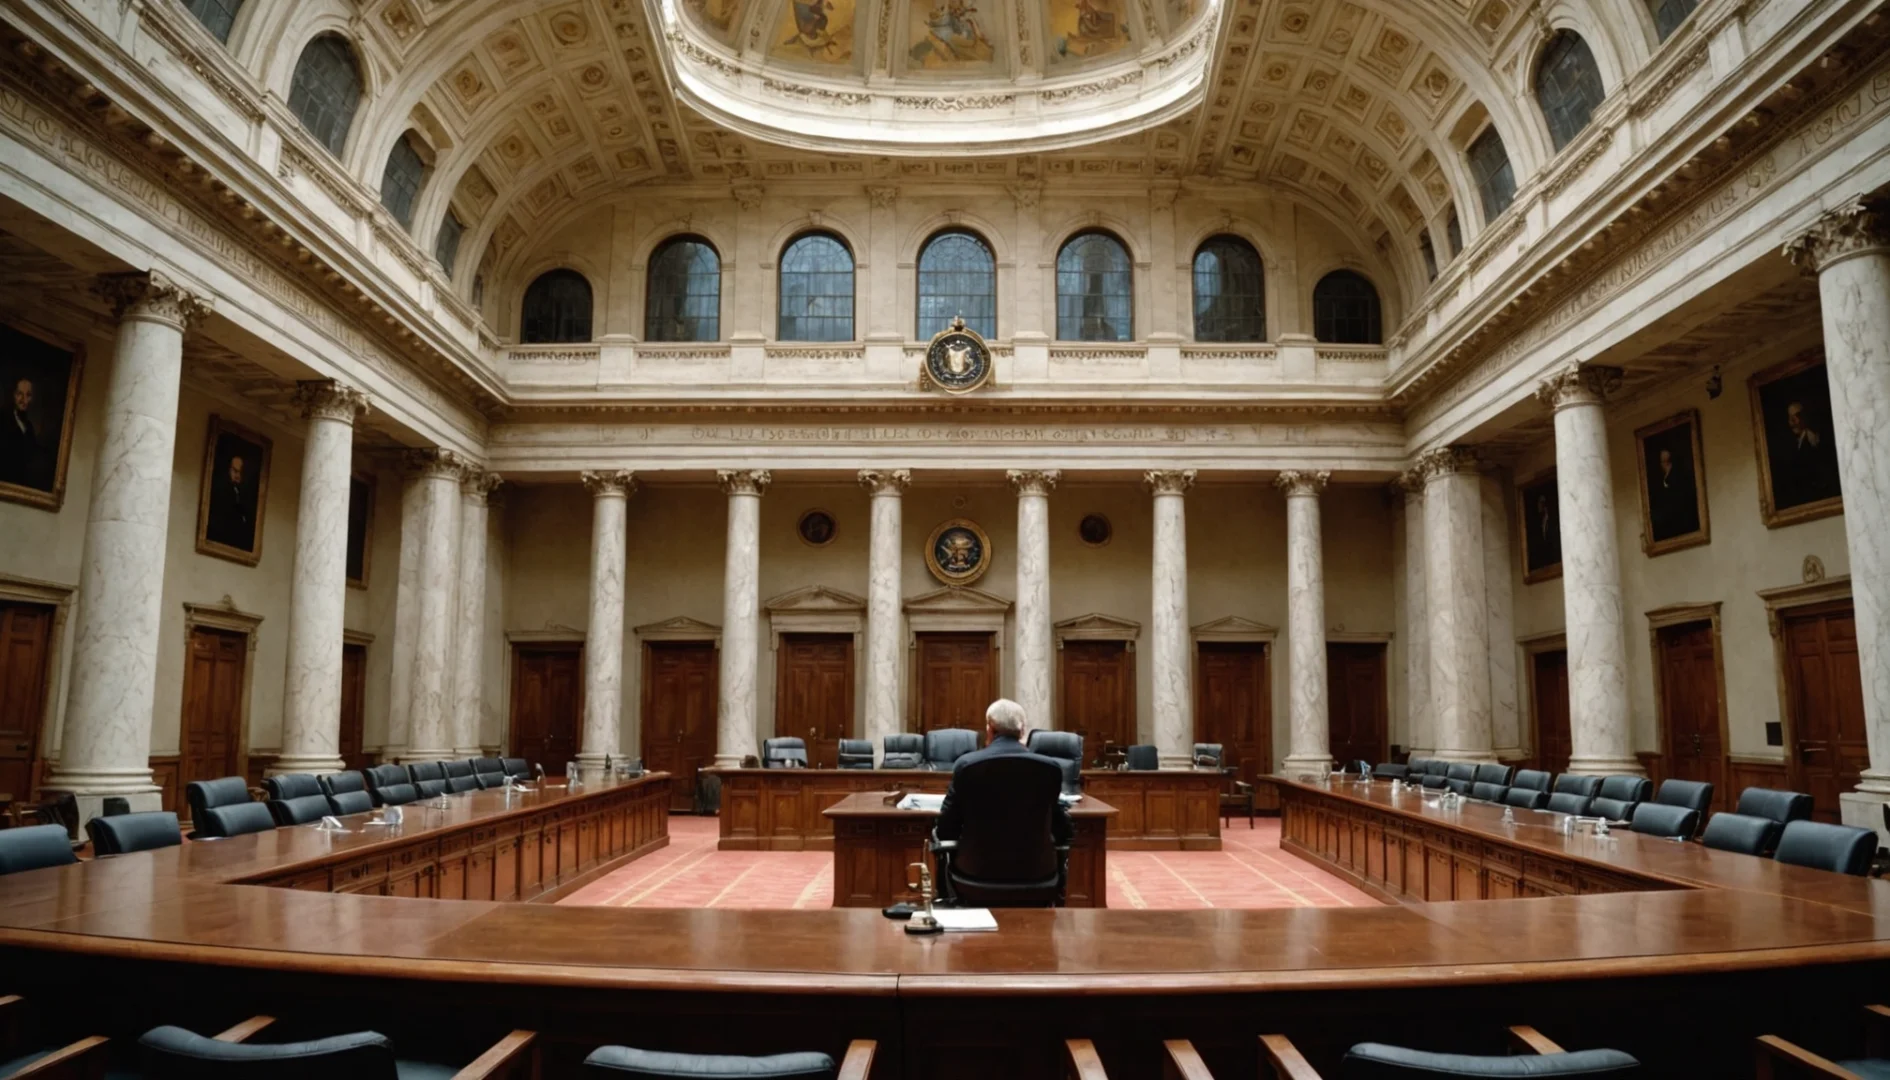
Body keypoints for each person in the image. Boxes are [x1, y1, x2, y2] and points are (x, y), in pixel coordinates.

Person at [934, 698, 1074, 846]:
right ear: (1022, 731)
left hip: (977, 867)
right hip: (1035, 867)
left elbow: (946, 829)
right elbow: (1063, 831)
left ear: (989, 729)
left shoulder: (967, 766)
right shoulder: (1049, 768)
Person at [206, 450, 256, 550]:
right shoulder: (221, 490)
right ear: (229, 470)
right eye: (235, 471)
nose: (237, 476)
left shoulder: (243, 494)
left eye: (240, 472)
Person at [1, 376, 42, 489]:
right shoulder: (2, 420)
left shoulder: (29, 427)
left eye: (28, 395)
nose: (24, 400)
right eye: (20, 394)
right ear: (13, 395)